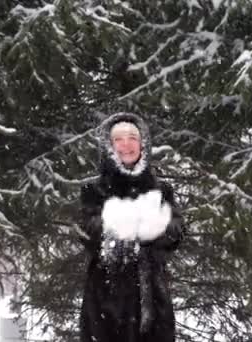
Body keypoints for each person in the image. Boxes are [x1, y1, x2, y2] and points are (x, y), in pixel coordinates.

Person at [78, 112, 185, 342]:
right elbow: (86, 230)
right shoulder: (93, 190)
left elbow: (176, 231)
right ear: (108, 146)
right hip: (104, 300)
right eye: (118, 139)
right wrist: (123, 224)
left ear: (143, 144)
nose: (126, 144)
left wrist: (156, 228)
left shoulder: (161, 190)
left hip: (153, 301)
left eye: (132, 137)